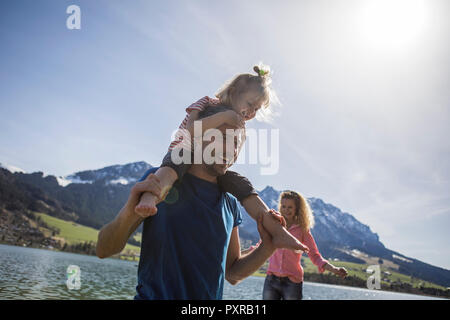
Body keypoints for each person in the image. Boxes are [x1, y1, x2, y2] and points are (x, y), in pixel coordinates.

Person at [96, 106, 284, 299]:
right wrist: (129, 211)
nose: (231, 149)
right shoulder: (159, 182)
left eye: (236, 142)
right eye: (223, 138)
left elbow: (233, 273)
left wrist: (268, 246)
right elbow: (104, 249)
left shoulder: (230, 204)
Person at [134, 64, 308, 253]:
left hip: (211, 163)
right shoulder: (207, 103)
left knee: (242, 185)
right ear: (233, 93)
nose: (251, 113)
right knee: (172, 168)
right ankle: (150, 197)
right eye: (250, 105)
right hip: (183, 150)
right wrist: (224, 117)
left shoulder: (240, 124)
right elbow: (191, 130)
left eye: (256, 109)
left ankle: (279, 232)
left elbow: (234, 154)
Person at [248, 190, 348, 300]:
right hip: (271, 280)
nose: (286, 210)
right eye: (284, 206)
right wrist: (240, 256)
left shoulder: (302, 230)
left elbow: (315, 256)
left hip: (292, 283)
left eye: (290, 207)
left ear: (297, 209)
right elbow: (261, 246)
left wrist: (334, 269)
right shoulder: (274, 225)